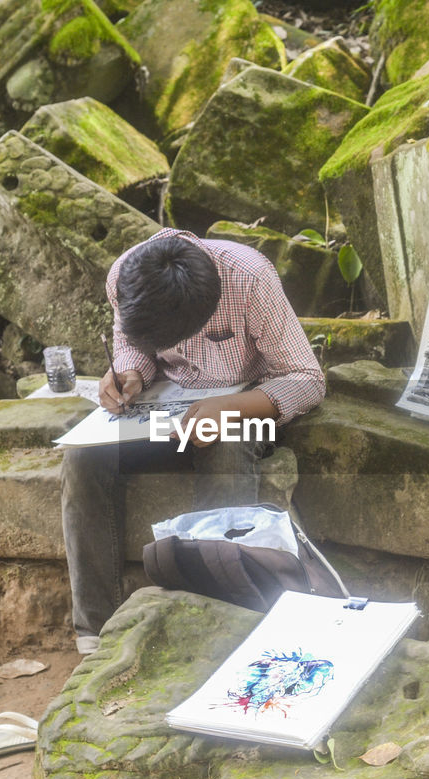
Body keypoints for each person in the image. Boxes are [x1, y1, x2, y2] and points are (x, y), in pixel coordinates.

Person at [63, 228, 326, 653]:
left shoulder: (250, 279)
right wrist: (130, 375)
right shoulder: (126, 276)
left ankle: (220, 611)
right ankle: (97, 631)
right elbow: (132, 349)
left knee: (225, 446)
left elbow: (307, 379)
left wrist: (230, 409)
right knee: (83, 459)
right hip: (166, 407)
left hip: (246, 404)